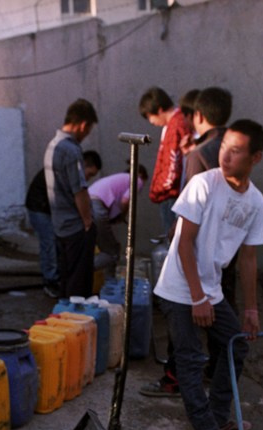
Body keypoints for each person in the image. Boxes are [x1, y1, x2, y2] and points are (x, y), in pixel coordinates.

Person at [154, 120, 263, 430]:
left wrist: (251, 310)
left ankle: (217, 418)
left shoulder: (256, 202)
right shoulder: (203, 185)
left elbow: (248, 259)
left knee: (236, 345)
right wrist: (197, 297)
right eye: (223, 148)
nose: (225, 156)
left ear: (255, 157)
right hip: (180, 287)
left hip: (211, 289)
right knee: (190, 360)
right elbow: (183, 244)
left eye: (235, 150)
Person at [140, 86, 235, 398]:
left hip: (197, 250)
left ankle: (177, 378)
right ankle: (217, 373)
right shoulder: (233, 148)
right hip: (225, 250)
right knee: (221, 317)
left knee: (182, 316)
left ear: (199, 116)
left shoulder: (199, 156)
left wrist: (174, 235)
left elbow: (187, 216)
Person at [26, 150, 102, 298]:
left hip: (46, 208)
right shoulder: (68, 172)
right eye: (90, 174)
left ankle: (56, 278)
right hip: (39, 208)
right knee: (49, 244)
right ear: (85, 165)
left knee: (55, 244)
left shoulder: (70, 170)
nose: (89, 179)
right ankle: (50, 282)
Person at [44, 98, 98, 298]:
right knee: (79, 286)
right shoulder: (71, 150)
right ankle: (77, 323)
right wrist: (87, 221)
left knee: (66, 282)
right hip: (76, 228)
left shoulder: (52, 145)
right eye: (88, 130)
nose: (86, 135)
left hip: (60, 225)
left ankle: (64, 322)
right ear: (83, 125)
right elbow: (79, 190)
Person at [138, 86, 193, 235]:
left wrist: (159, 190)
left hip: (171, 193)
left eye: (150, 117)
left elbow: (172, 164)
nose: (151, 122)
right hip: (172, 191)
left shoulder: (175, 125)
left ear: (159, 109)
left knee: (174, 240)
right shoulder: (175, 123)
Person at [88, 163, 148, 278]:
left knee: (110, 247)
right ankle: (80, 270)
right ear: (141, 175)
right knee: (112, 253)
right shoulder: (137, 180)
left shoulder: (119, 179)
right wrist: (122, 216)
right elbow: (125, 201)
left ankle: (109, 282)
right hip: (97, 206)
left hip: (88, 204)